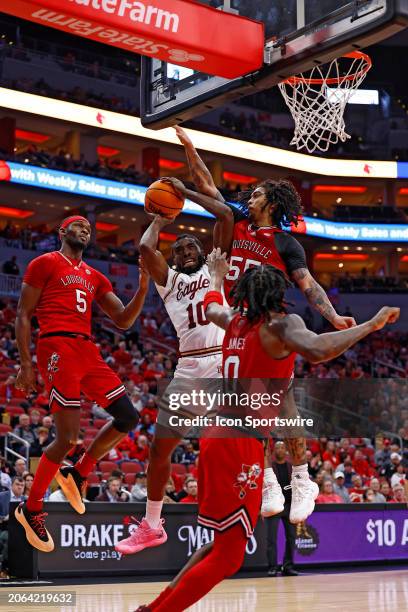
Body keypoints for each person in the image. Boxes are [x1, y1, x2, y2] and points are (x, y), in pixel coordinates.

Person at [136, 252, 398, 612]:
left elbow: (212, 307)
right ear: (279, 293)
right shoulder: (280, 324)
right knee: (228, 559)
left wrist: (214, 278)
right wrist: (370, 325)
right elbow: (319, 350)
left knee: (220, 547)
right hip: (240, 442)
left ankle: (152, 609)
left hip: (215, 436)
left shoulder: (235, 322)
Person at [164, 126, 357, 521]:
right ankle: (268, 476)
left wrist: (334, 317)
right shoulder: (234, 222)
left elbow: (308, 285)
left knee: (280, 404)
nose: (247, 199)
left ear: (271, 202)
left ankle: (302, 478)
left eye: (255, 195)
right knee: (242, 405)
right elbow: (207, 183)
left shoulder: (287, 243)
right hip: (234, 322)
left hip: (269, 325)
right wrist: (188, 147)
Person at [14, 215, 149, 553]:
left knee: (128, 417)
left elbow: (123, 319)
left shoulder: (95, 276)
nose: (84, 230)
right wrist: (26, 363)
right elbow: (22, 313)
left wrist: (144, 285)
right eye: (77, 226)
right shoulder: (44, 262)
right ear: (62, 232)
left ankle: (77, 473)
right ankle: (31, 509)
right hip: (56, 345)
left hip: (87, 348)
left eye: (89, 228)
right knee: (68, 437)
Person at [115, 192, 231, 554]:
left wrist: (193, 191)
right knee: (159, 449)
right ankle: (152, 524)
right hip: (189, 366)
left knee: (237, 438)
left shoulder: (217, 267)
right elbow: (147, 248)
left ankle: (267, 487)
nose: (185, 251)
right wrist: (161, 220)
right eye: (178, 249)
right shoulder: (169, 281)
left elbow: (226, 218)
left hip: (223, 361)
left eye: (190, 245)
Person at [265, 441, 297, 577]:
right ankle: (273, 567)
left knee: (291, 537)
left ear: (286, 451)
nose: (280, 450)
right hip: (274, 506)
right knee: (271, 539)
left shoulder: (292, 467)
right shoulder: (269, 468)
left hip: (289, 506)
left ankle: (288, 566)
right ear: (273, 451)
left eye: (282, 447)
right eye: (277, 447)